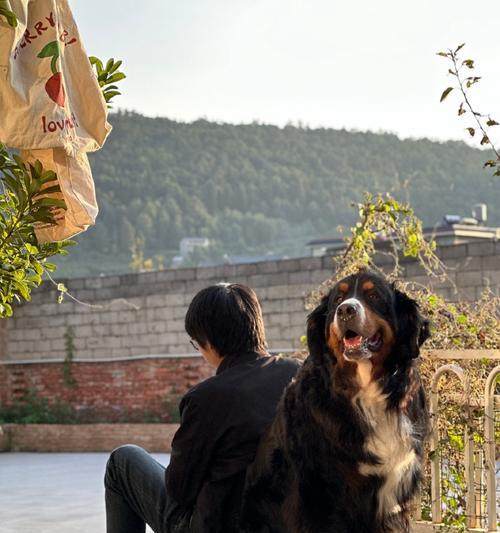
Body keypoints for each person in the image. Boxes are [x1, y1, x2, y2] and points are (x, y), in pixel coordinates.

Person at [104, 283, 300, 533]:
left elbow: (180, 490)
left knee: (122, 461)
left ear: (207, 342)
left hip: (220, 525)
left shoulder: (207, 397)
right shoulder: (302, 375)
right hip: (291, 522)